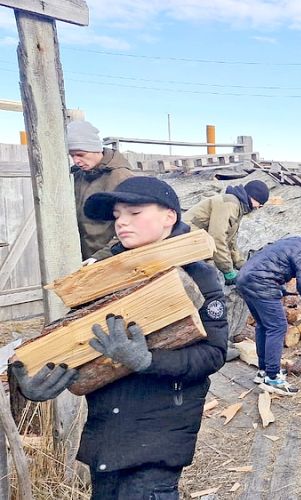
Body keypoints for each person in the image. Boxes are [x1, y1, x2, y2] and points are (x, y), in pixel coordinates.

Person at [10, 177, 228, 500]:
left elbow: (213, 354)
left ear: (170, 216)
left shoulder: (199, 275)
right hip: (106, 437)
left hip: (158, 437)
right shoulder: (101, 272)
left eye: (134, 212)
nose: (121, 222)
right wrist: (32, 381)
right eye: (117, 215)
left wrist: (147, 361)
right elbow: (70, 338)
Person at [236, 219, 301, 395]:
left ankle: (264, 371)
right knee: (277, 327)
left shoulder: (294, 241)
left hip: (244, 279)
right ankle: (273, 377)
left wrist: (281, 289)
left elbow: (272, 263)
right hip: (261, 284)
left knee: (264, 325)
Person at [68, 120, 134, 262]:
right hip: (82, 258)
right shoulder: (77, 175)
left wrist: (101, 256)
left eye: (80, 154)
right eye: (72, 155)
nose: (76, 161)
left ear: (96, 148)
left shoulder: (121, 177)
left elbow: (132, 224)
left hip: (112, 259)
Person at [184, 180, 270, 285]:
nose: (258, 208)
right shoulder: (230, 204)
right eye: (260, 205)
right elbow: (217, 238)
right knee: (209, 272)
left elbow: (230, 241)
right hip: (185, 235)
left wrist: (240, 264)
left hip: (198, 237)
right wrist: (228, 271)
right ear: (253, 197)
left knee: (212, 265)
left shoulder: (238, 207)